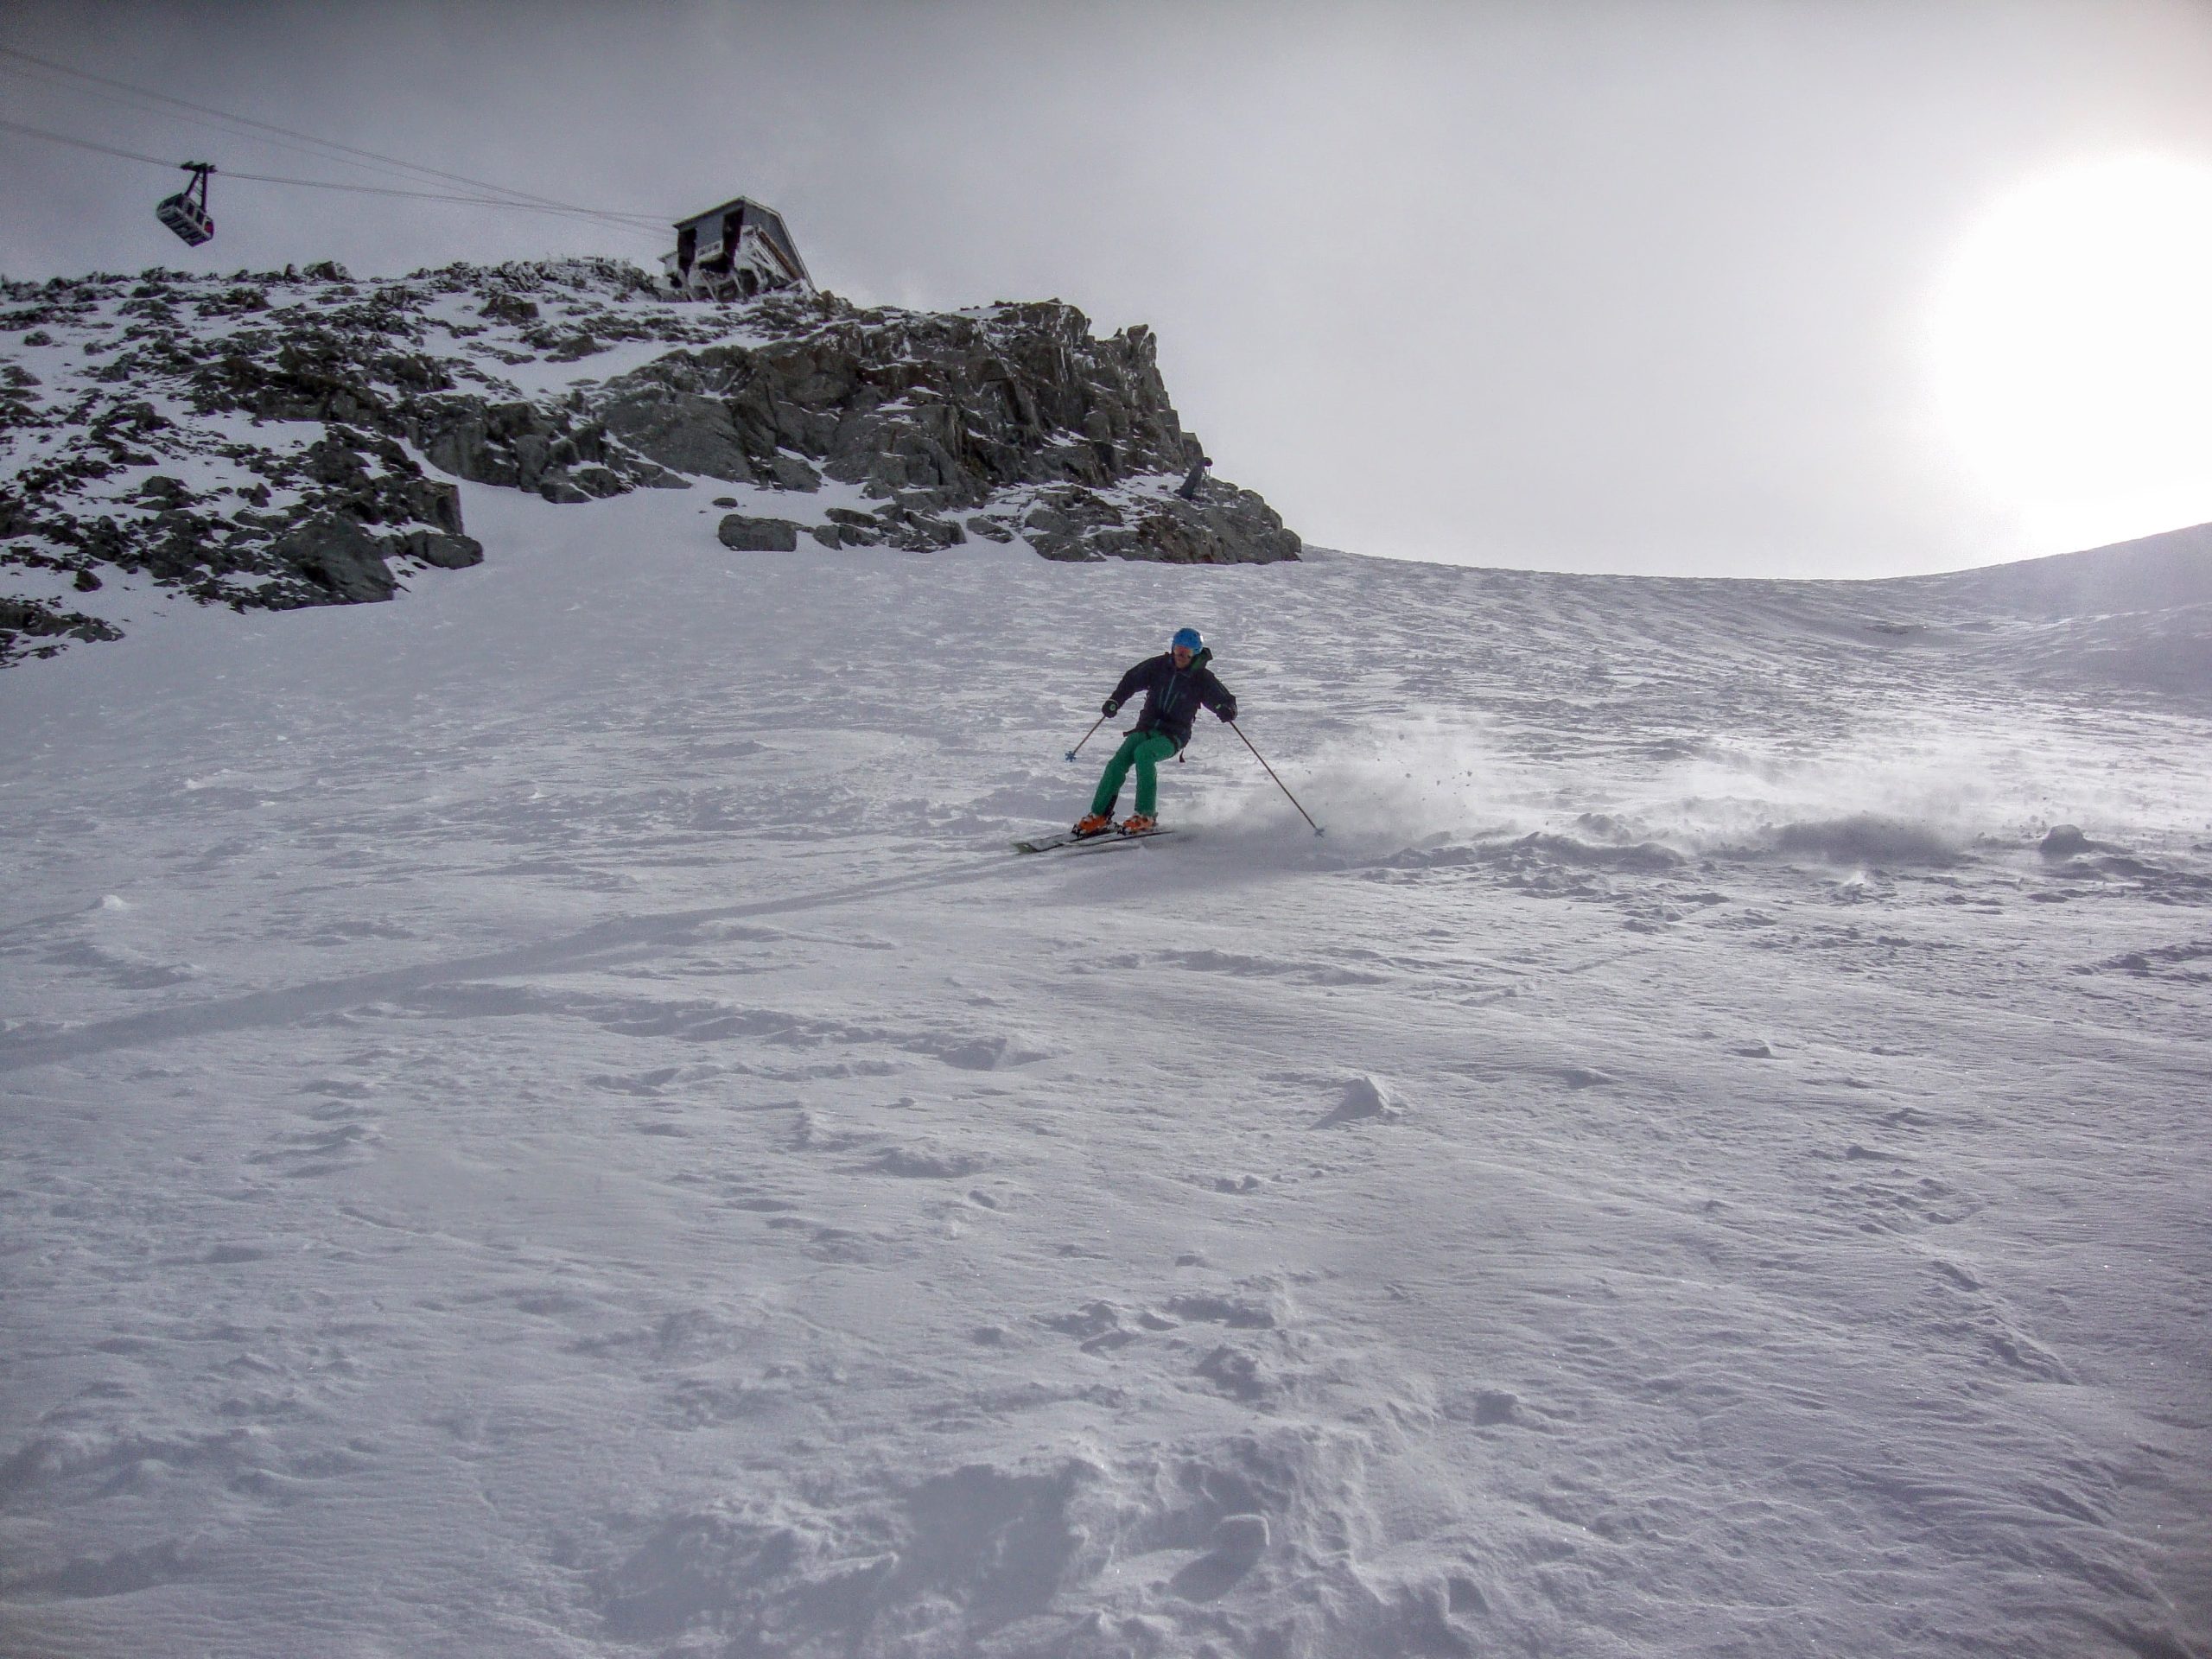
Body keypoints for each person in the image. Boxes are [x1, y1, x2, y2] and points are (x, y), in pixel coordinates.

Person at [1073, 626, 1237, 836]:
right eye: (1178, 651)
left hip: (1174, 735)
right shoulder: (1159, 666)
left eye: (1187, 654)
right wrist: (1115, 700)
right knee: (1118, 762)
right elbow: (1131, 679)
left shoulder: (1201, 678)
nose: (1181, 657)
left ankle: (1146, 815)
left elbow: (1225, 700)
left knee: (1144, 753)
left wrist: (1226, 710)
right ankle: (1099, 816)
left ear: (1196, 654)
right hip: (1147, 727)